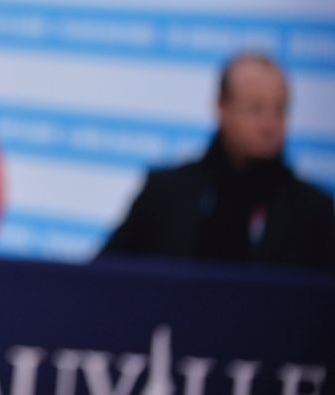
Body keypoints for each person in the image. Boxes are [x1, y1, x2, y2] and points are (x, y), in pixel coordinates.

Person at [101, 52, 335, 272]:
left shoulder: (316, 214)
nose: (269, 125)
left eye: (279, 110)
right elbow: (100, 279)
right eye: (255, 109)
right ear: (221, 108)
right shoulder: (164, 194)